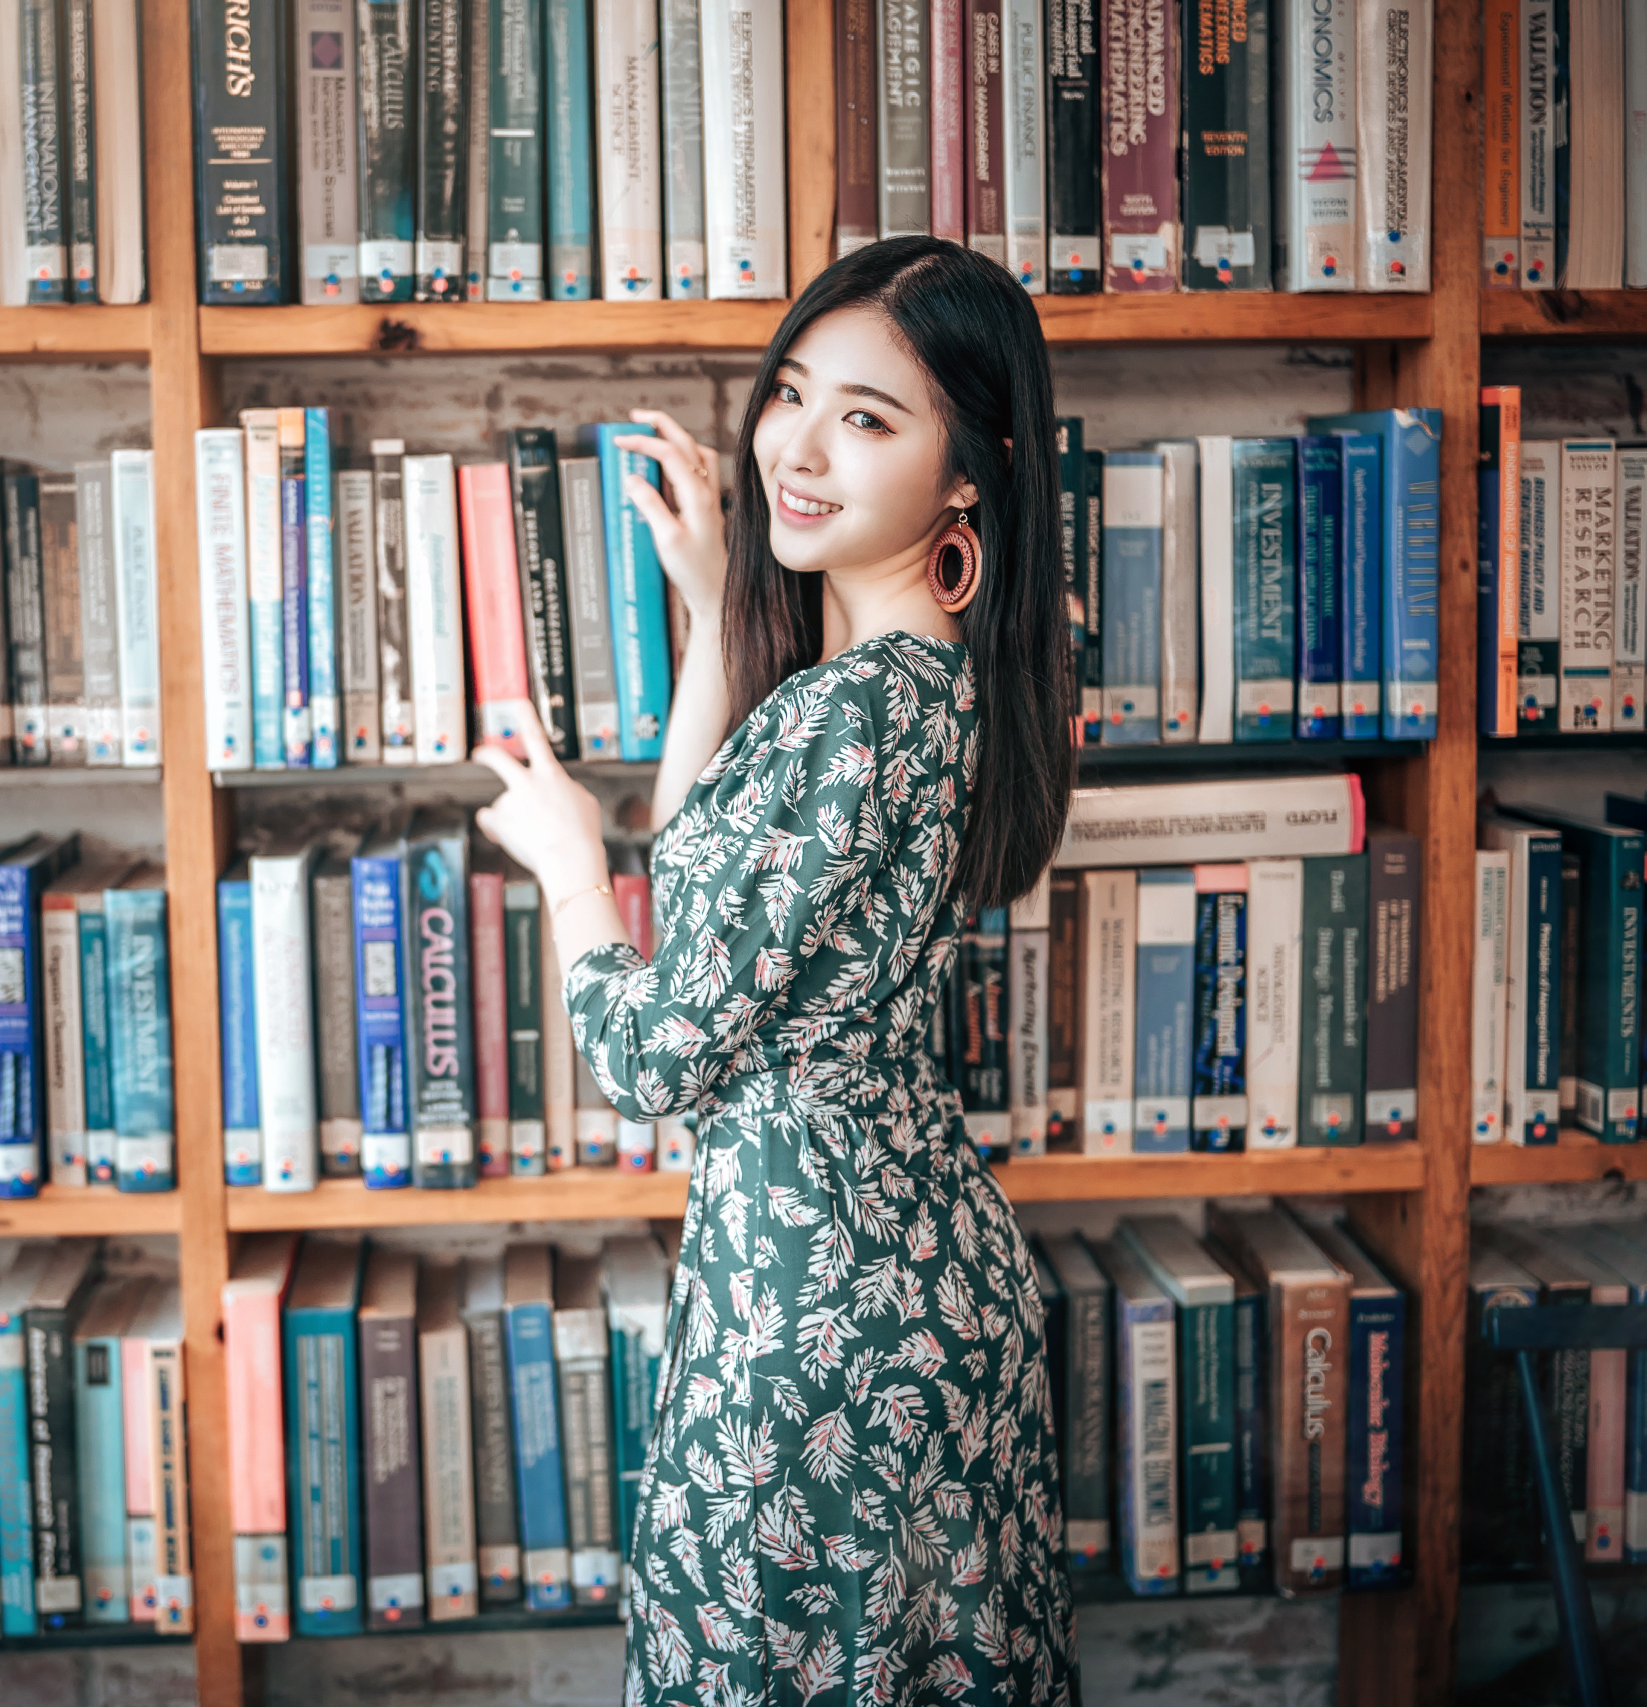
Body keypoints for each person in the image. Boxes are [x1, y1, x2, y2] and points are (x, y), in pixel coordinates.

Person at [474, 236, 1078, 1706]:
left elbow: (655, 1055)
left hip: (817, 1320)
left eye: (867, 418)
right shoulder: (922, 685)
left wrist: (565, 867)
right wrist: (707, 609)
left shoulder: (859, 716)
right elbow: (706, 873)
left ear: (968, 474)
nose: (796, 449)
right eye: (792, 392)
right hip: (900, 1281)